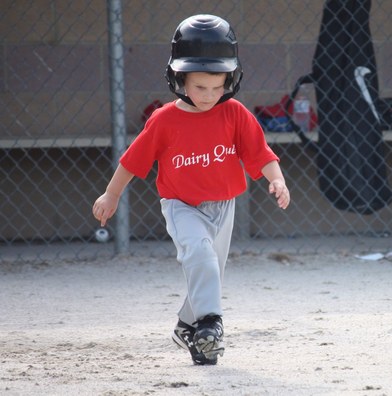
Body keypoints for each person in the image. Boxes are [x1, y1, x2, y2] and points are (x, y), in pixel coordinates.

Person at [92, 14, 290, 365]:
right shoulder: (164, 120)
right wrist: (111, 194)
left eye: (218, 86)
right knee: (200, 255)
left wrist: (277, 179)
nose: (210, 96)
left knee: (210, 271)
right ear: (179, 78)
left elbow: (261, 154)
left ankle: (188, 327)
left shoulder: (236, 114)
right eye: (200, 87)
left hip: (224, 206)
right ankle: (211, 325)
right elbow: (131, 162)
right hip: (181, 205)